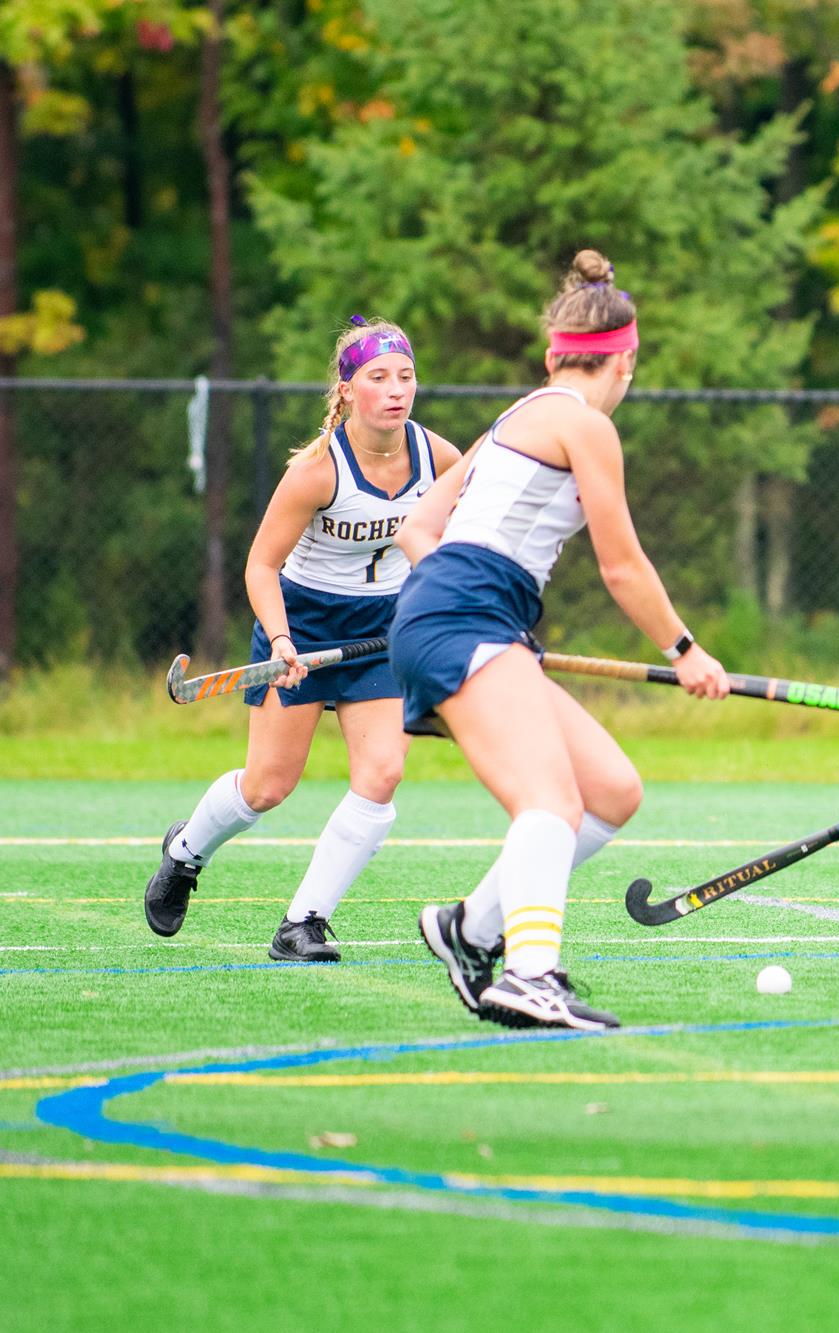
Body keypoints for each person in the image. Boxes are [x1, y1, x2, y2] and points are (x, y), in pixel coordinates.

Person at [393, 249, 729, 1032]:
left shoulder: (514, 416)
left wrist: (486, 617)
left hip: (467, 615)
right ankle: (530, 972)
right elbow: (623, 567)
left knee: (610, 791)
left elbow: (418, 528)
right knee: (548, 800)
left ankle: (468, 928)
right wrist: (687, 650)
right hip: (464, 618)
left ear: (554, 355)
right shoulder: (585, 425)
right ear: (627, 361)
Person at [144, 318, 460, 961]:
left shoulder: (439, 457)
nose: (396, 390)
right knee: (268, 786)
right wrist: (283, 640)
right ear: (346, 390)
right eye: (378, 378)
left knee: (383, 772)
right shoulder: (317, 472)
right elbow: (261, 565)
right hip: (303, 624)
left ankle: (302, 924)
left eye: (406, 377)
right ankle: (184, 854)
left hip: (380, 629)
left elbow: (458, 531)